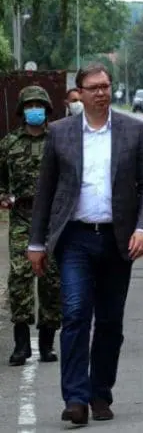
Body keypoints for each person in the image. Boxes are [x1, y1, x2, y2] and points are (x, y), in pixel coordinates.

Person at [27, 63, 143, 425]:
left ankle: (101, 392)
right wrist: (37, 242)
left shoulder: (134, 131)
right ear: (80, 93)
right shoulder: (60, 133)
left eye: (106, 86)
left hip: (119, 241)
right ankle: (76, 398)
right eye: (94, 87)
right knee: (74, 314)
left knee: (110, 323)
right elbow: (46, 192)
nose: (101, 92)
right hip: (75, 239)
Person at [0, 86, 62, 367]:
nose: (34, 109)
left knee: (51, 279)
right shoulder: (9, 144)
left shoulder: (58, 140)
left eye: (39, 104)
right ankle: (21, 344)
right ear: (22, 109)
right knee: (20, 278)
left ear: (47, 109)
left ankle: (47, 342)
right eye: (29, 104)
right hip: (22, 217)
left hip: (52, 218)